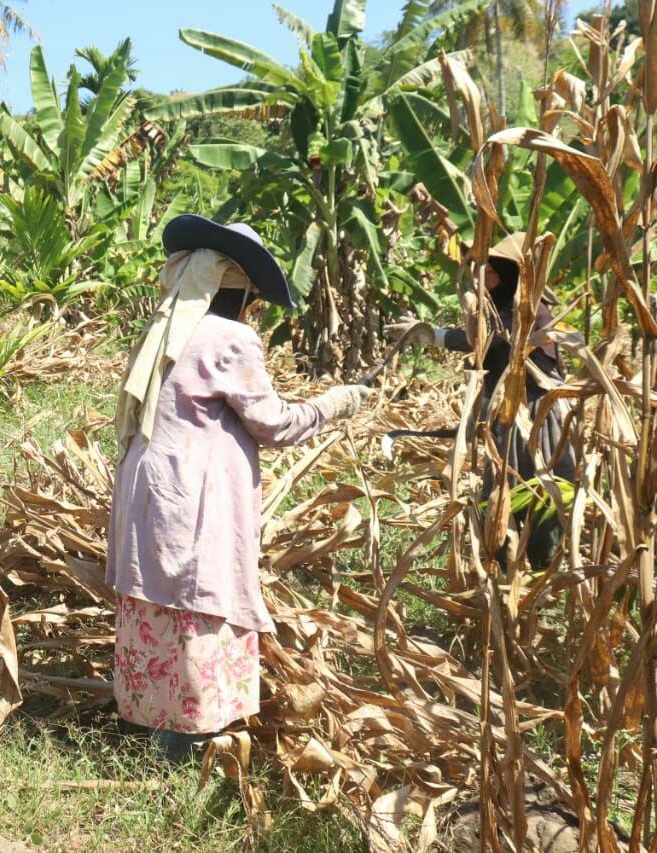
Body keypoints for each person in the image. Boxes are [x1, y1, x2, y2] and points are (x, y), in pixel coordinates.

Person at [108, 215, 371, 761]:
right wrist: (335, 403)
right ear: (239, 290)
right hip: (192, 494)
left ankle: (156, 734)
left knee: (160, 602)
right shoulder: (231, 338)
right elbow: (274, 424)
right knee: (197, 599)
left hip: (147, 486)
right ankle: (183, 745)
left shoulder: (167, 330)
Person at [386, 232, 576, 569]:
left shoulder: (529, 311)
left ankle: (541, 569)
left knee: (538, 491)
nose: (482, 278)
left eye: (489, 272)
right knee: (502, 490)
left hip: (534, 415)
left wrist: (431, 334)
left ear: (510, 275)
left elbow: (484, 340)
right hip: (510, 411)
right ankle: (502, 564)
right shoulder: (504, 306)